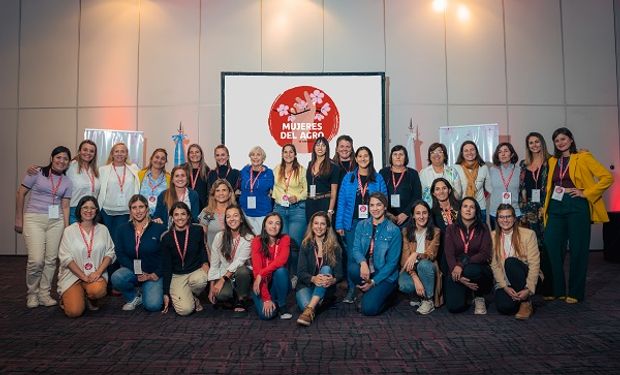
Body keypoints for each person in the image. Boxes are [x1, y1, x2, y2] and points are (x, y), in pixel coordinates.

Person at [543, 127, 613, 303]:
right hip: (555, 205)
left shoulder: (583, 157)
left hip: (576, 204)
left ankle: (575, 292)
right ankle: (556, 289)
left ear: (571, 140)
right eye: (557, 140)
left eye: (563, 139)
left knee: (578, 249)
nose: (560, 143)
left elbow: (607, 177)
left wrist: (586, 193)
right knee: (551, 246)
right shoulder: (552, 161)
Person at [15, 146, 73, 308]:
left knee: (50, 260)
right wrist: (19, 218)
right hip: (34, 219)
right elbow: (20, 193)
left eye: (65, 159)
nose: (61, 161)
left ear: (69, 162)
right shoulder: (36, 172)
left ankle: (44, 294)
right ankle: (32, 294)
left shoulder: (67, 181)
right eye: (58, 157)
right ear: (52, 157)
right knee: (36, 260)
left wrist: (67, 228)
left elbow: (66, 206)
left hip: (56, 221)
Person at [335, 146, 387, 303]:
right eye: (360, 156)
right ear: (355, 159)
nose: (363, 158)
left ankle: (371, 287)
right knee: (353, 257)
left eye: (366, 156)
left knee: (372, 255)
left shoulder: (378, 178)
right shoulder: (349, 177)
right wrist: (339, 224)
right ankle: (352, 290)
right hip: (352, 223)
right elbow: (342, 202)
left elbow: (384, 201)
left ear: (370, 158)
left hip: (372, 222)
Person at [57, 196, 115, 317]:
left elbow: (110, 253)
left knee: (97, 290)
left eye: (92, 208)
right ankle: (68, 297)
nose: (89, 211)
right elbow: (65, 258)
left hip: (95, 275)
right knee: (74, 312)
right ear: (79, 209)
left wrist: (98, 272)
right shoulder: (69, 231)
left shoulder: (103, 229)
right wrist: (83, 276)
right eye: (85, 207)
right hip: (73, 276)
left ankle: (90, 297)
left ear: (96, 210)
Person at [348, 192, 401, 316]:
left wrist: (373, 282)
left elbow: (392, 263)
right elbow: (355, 249)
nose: (375, 208)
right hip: (368, 270)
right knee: (353, 268)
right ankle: (368, 292)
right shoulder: (362, 225)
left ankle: (388, 296)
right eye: (372, 205)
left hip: (385, 275)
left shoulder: (394, 230)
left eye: (378, 205)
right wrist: (363, 263)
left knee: (369, 309)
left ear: (385, 207)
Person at [111, 194, 167, 312]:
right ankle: (134, 298)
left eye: (141, 207)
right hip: (134, 270)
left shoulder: (159, 228)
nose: (138, 211)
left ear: (147, 208)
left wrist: (155, 274)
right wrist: (138, 271)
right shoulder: (122, 229)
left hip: (153, 273)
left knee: (153, 306)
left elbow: (166, 255)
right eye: (134, 207)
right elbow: (120, 253)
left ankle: (150, 290)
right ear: (130, 210)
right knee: (117, 277)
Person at [25, 140, 100, 224]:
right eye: (85, 150)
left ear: (94, 154)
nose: (88, 153)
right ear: (79, 151)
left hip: (91, 213)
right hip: (74, 211)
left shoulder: (96, 170)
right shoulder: (70, 166)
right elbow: (54, 167)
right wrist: (37, 168)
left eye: (91, 151)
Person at [444, 197, 493, 314]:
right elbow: (449, 254)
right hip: (456, 271)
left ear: (476, 211)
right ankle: (466, 292)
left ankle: (479, 296)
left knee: (472, 270)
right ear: (460, 210)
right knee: (454, 307)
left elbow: (484, 253)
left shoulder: (483, 228)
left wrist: (461, 265)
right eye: (465, 206)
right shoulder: (451, 229)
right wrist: (457, 274)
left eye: (472, 207)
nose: (468, 209)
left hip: (478, 269)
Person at [491, 204, 541, 320]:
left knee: (510, 262)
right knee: (505, 308)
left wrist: (528, 289)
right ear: (497, 219)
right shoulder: (492, 237)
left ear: (514, 218)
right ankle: (517, 299)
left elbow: (534, 264)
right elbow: (494, 265)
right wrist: (504, 287)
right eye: (501, 217)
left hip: (526, 276)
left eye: (508, 217)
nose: (505, 220)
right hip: (506, 282)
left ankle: (526, 301)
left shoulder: (528, 234)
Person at [161, 202, 210, 316]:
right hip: (177, 275)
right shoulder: (167, 237)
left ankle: (191, 293)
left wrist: (205, 262)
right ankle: (193, 298)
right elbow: (166, 266)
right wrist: (166, 292)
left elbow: (202, 249)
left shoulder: (197, 231)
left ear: (188, 216)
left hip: (195, 271)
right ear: (172, 217)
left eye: (183, 214)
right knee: (184, 311)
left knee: (200, 280)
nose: (180, 218)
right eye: (176, 214)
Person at [295, 211, 343, 326]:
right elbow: (300, 273)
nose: (319, 227)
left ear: (327, 227)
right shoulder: (305, 244)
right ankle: (320, 302)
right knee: (304, 305)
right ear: (312, 226)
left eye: (323, 224)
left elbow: (340, 273)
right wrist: (313, 279)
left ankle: (311, 308)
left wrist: (333, 280)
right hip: (306, 285)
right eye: (316, 223)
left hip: (326, 286)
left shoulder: (335, 246)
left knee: (326, 269)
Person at [518, 132, 552, 295]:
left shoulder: (551, 161)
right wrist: (523, 210)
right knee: (533, 248)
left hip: (546, 210)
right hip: (529, 212)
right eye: (531, 143)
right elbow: (521, 189)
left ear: (542, 143)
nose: (534, 145)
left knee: (548, 247)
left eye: (537, 142)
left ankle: (550, 285)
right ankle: (536, 283)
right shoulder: (524, 165)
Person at [208, 205, 254, 316]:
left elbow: (239, 262)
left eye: (235, 215)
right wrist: (211, 287)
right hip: (226, 274)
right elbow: (214, 264)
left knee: (242, 270)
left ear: (241, 219)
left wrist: (222, 280)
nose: (232, 219)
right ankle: (233, 295)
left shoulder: (249, 238)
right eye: (228, 216)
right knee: (220, 295)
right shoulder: (219, 236)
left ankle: (241, 300)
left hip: (241, 273)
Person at [398, 200, 441, 314]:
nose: (421, 216)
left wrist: (416, 254)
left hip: (427, 267)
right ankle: (417, 295)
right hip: (411, 268)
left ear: (429, 214)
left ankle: (428, 300)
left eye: (424, 213)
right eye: (418, 213)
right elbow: (404, 260)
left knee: (424, 264)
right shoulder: (405, 231)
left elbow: (431, 255)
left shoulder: (436, 231)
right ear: (412, 216)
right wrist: (415, 277)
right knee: (404, 285)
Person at [273, 143, 308, 277]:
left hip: (297, 210)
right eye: (285, 152)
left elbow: (307, 190)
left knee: (294, 245)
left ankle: (295, 275)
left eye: (291, 152)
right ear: (282, 154)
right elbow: (273, 188)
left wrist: (297, 197)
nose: (288, 154)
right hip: (280, 209)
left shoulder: (302, 170)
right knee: (282, 246)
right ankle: (284, 275)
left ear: (295, 154)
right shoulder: (276, 169)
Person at [251, 212, 292, 320]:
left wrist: (261, 274)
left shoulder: (285, 239)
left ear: (281, 226)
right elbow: (257, 270)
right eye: (270, 223)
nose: (274, 226)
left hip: (278, 282)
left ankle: (282, 305)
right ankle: (273, 302)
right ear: (264, 226)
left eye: (277, 223)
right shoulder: (256, 241)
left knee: (281, 271)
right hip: (261, 284)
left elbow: (282, 260)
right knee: (267, 315)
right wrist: (266, 299)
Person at [98, 142, 140, 240]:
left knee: (121, 239)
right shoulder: (103, 170)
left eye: (122, 151)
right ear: (112, 154)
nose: (119, 154)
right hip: (106, 211)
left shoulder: (134, 169)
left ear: (126, 154)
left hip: (126, 212)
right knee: (106, 239)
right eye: (116, 151)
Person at [379, 145, 422, 227]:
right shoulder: (383, 172)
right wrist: (388, 214)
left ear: (405, 157)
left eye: (401, 154)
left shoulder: (413, 174)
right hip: (386, 216)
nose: (398, 157)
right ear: (391, 157)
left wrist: (406, 213)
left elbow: (417, 196)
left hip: (407, 218)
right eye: (395, 154)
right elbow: (379, 194)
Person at [239, 146, 274, 234]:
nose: (255, 157)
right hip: (245, 212)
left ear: (263, 158)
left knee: (260, 239)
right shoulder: (244, 171)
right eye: (253, 155)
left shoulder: (269, 173)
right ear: (250, 157)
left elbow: (274, 190)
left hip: (262, 212)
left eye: (258, 155)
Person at [198, 179, 238, 253]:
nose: (221, 193)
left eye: (224, 190)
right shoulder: (207, 212)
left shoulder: (236, 212)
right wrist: (208, 257)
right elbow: (202, 239)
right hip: (213, 256)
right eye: (217, 190)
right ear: (213, 194)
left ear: (229, 193)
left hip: (234, 256)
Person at [306, 136, 340, 221]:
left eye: (323, 145)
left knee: (324, 230)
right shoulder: (310, 164)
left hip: (324, 203)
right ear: (314, 148)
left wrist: (330, 211)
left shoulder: (333, 166)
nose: (320, 148)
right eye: (317, 145)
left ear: (327, 148)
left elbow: (334, 191)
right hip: (310, 203)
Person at [488, 142, 520, 230]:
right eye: (500, 152)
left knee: (515, 242)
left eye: (506, 151)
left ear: (512, 154)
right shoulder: (492, 170)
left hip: (515, 212)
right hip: (496, 212)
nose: (503, 154)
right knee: (497, 241)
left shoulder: (520, 170)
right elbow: (488, 188)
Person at [454, 141, 490, 219]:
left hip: (480, 208)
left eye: (472, 150)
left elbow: (489, 188)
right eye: (466, 150)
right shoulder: (455, 168)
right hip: (463, 209)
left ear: (476, 151)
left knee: (480, 231)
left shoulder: (483, 167)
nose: (469, 152)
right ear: (462, 153)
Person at [138, 148, 170, 216]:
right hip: (141, 216)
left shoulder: (169, 179)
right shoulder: (140, 175)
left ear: (165, 162)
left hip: (160, 217)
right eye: (157, 157)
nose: (159, 160)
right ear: (151, 158)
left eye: (163, 158)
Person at [185, 144, 210, 210]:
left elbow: (209, 192)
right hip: (185, 206)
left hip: (202, 208)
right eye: (191, 152)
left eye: (197, 152)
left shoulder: (207, 170)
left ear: (201, 154)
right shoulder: (183, 169)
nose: (194, 154)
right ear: (188, 155)